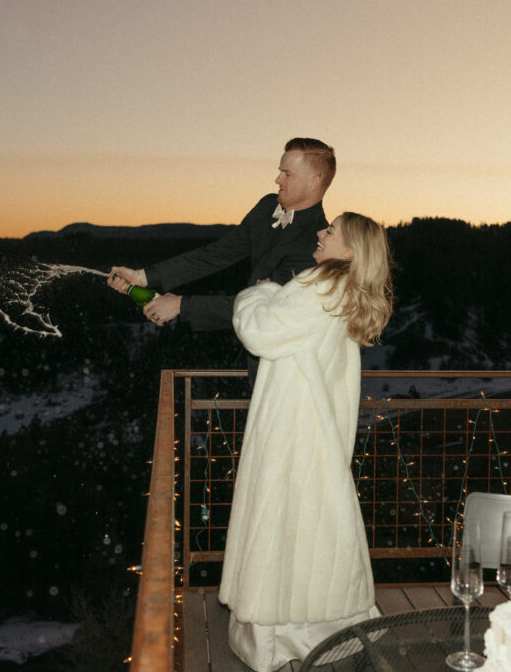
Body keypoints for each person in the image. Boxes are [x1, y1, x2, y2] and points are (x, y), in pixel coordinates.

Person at [218, 212, 394, 671]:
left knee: (281, 519)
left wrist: (257, 292)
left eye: (331, 231)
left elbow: (259, 332)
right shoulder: (340, 289)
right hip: (314, 426)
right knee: (312, 522)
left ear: (352, 249)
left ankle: (279, 632)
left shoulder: (322, 287)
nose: (321, 232)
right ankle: (320, 622)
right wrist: (277, 296)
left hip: (294, 427)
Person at [106, 138, 334, 381]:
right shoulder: (268, 205)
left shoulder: (317, 245)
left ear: (314, 182)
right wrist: (143, 277)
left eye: (287, 174)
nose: (277, 180)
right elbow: (217, 253)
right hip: (258, 364)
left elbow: (264, 309)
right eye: (280, 172)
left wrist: (181, 305)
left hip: (291, 370)